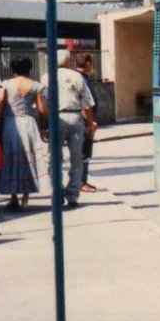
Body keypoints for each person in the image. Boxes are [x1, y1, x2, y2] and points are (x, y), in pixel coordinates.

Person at [41, 49, 97, 207]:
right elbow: (86, 102)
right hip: (75, 117)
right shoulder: (76, 76)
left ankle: (57, 193)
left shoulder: (46, 77)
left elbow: (43, 103)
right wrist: (91, 123)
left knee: (54, 159)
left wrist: (44, 125)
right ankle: (72, 194)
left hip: (56, 118)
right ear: (68, 61)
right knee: (76, 158)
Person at [0, 58, 49, 210]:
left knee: (11, 158)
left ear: (13, 69)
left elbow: (0, 105)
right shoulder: (36, 86)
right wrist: (45, 125)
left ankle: (13, 198)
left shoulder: (6, 84)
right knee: (28, 158)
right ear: (29, 68)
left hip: (11, 124)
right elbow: (43, 110)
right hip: (29, 123)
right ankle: (25, 198)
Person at [75, 53, 100, 193]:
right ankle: (81, 182)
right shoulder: (81, 79)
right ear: (88, 63)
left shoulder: (82, 77)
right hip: (85, 120)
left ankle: (82, 181)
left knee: (85, 150)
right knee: (84, 150)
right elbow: (83, 103)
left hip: (86, 119)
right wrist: (90, 122)